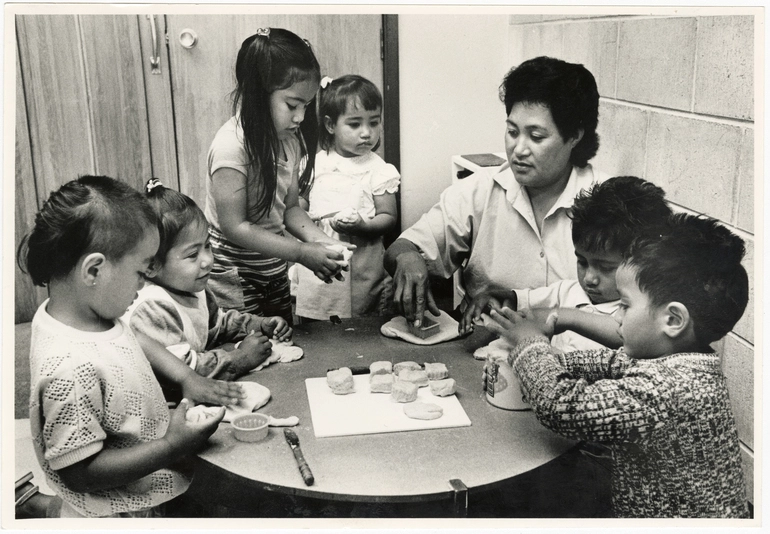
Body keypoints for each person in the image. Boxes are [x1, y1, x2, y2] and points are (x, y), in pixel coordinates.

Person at [484, 213, 750, 518]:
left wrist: (529, 345)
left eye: (624, 305)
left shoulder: (669, 390)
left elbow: (559, 407)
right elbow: (611, 362)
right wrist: (546, 360)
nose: (617, 317)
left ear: (673, 320)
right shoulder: (683, 361)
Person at [17, 175, 238, 518]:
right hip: (117, 510)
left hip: (143, 463)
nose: (148, 279)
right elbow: (79, 472)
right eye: (141, 270)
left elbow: (135, 338)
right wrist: (170, 446)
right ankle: (43, 511)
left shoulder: (89, 311)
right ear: (94, 271)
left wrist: (186, 377)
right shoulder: (70, 369)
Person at [384, 56, 606, 327]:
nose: (519, 149)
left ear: (574, 136)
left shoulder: (609, 202)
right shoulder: (479, 191)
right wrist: (407, 258)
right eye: (512, 132)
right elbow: (405, 246)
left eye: (536, 137)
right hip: (486, 348)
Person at [205, 28, 351, 323]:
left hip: (273, 264)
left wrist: (323, 243)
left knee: (282, 337)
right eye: (292, 105)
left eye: (307, 106)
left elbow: (291, 209)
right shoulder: (231, 147)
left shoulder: (289, 139)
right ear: (258, 94)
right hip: (234, 273)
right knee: (251, 345)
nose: (300, 116)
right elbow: (235, 227)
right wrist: (300, 252)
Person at [465, 176, 672, 351]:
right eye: (582, 262)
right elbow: (519, 302)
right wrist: (497, 299)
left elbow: (623, 334)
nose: (589, 278)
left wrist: (567, 317)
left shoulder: (639, 313)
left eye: (606, 268)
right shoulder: (568, 292)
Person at [125, 179, 293, 392]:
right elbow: (183, 373)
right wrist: (239, 359)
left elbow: (217, 325)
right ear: (152, 265)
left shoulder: (193, 289)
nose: (207, 260)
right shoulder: (153, 308)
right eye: (193, 254)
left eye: (207, 246)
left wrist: (258, 325)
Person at [294, 75, 400, 320]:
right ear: (331, 125)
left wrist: (363, 225)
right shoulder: (315, 164)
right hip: (321, 254)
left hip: (362, 260)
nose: (366, 133)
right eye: (354, 125)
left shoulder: (379, 170)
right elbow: (299, 205)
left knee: (362, 320)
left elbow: (388, 216)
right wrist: (305, 221)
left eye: (374, 123)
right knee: (319, 319)